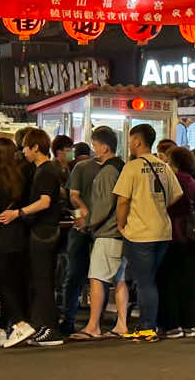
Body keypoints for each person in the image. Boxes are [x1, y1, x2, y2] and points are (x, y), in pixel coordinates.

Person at [114, 123, 181, 341]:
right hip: (163, 230)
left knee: (145, 282)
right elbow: (176, 195)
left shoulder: (131, 168)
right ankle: (159, 324)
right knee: (153, 279)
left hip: (140, 232)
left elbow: (122, 201)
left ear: (137, 141)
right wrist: (159, 206)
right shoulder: (163, 166)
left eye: (131, 139)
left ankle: (147, 327)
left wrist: (121, 225)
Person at [4, 127, 64, 347]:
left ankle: (50, 329)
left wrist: (17, 213)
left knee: (43, 281)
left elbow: (45, 201)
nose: (23, 152)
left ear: (36, 148)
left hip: (44, 232)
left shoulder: (46, 171)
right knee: (40, 281)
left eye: (26, 148)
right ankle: (44, 327)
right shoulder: (43, 169)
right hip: (42, 231)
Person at [72, 126, 129, 341]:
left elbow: (104, 205)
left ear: (105, 147)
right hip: (123, 233)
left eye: (96, 146)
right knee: (120, 280)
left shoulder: (107, 172)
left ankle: (93, 325)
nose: (94, 150)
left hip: (107, 233)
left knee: (97, 279)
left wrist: (87, 223)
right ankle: (122, 323)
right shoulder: (123, 168)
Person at [0, 138, 32, 349]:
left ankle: (20, 323)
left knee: (2, 283)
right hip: (19, 234)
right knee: (13, 281)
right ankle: (2, 328)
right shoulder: (21, 175)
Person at [157, 147, 195, 338]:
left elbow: (167, 204)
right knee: (189, 280)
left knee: (168, 281)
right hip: (192, 235)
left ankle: (172, 324)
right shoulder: (193, 180)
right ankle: (190, 323)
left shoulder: (173, 180)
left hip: (173, 234)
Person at [61, 141, 99, 335]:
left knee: (74, 275)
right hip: (102, 228)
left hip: (80, 227)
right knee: (102, 277)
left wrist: (80, 215)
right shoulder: (112, 168)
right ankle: (97, 322)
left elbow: (72, 196)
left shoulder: (77, 167)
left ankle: (69, 320)